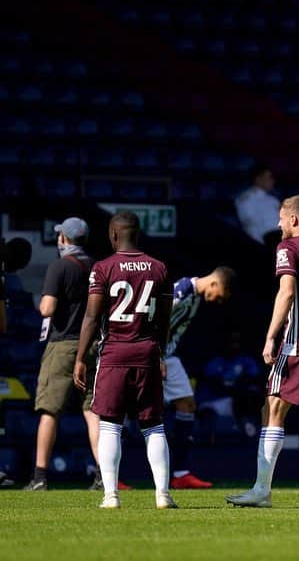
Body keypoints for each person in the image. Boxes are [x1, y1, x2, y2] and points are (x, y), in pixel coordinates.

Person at [226, 196, 299, 509]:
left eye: (281, 219)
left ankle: (261, 490)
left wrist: (270, 337)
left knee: (273, 409)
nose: (278, 225)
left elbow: (287, 292)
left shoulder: (289, 248)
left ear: (294, 219)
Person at [72, 211, 175, 509]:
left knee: (110, 424)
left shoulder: (103, 268)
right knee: (153, 425)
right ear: (138, 234)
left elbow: (92, 316)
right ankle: (162, 495)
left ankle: (111, 495)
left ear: (113, 235)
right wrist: (161, 352)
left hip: (115, 353)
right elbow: (165, 319)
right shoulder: (159, 268)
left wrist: (81, 357)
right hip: (147, 352)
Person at [25, 217, 102, 491]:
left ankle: (40, 477)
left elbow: (47, 308)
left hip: (62, 346)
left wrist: (41, 301)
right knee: (93, 412)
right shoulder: (97, 267)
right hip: (91, 345)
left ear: (65, 239)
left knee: (49, 411)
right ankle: (103, 476)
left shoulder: (58, 267)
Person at [163, 266, 236, 489]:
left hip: (168, 355)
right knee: (128, 410)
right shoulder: (182, 289)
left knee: (187, 405)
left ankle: (181, 473)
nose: (217, 300)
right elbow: (157, 318)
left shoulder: (194, 297)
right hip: (153, 354)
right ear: (214, 283)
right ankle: (109, 472)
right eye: (219, 295)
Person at [235, 163, 281, 246]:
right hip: (263, 244)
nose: (272, 181)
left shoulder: (273, 200)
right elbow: (250, 228)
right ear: (258, 179)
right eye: (269, 177)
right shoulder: (246, 199)